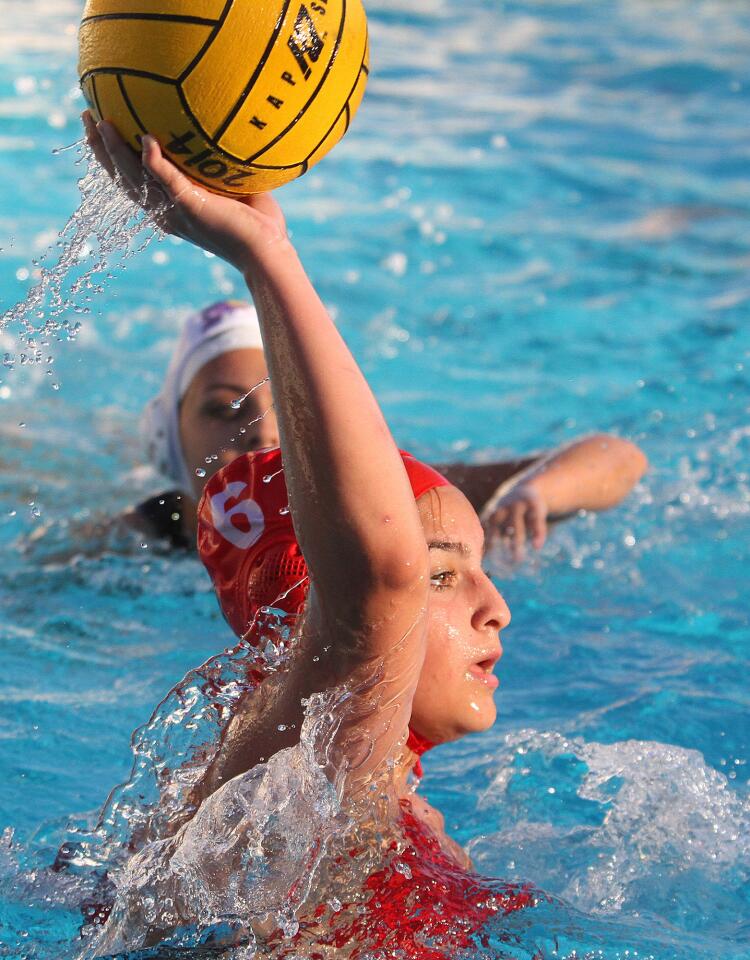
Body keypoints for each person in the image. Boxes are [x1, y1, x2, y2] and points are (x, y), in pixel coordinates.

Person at [81, 113, 638, 956]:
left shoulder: (326, 784)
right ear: (322, 600)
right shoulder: (319, 765)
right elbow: (380, 574)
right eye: (443, 576)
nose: (500, 610)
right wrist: (266, 257)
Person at [131, 299, 646, 560]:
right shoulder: (149, 535)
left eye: (286, 408)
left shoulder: (394, 497)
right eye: (224, 410)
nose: (263, 434)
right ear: (169, 440)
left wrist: (534, 492)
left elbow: (619, 456)